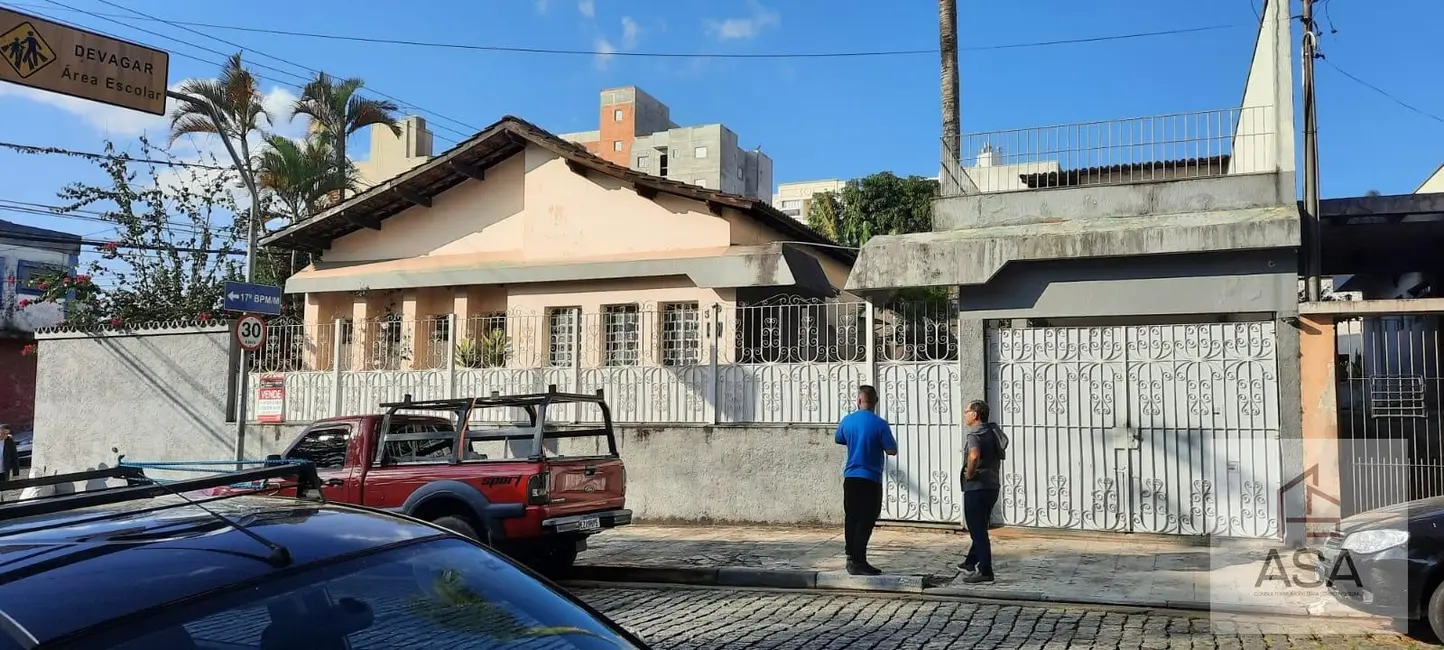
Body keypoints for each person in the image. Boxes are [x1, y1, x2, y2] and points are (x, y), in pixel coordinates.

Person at [834, 385, 898, 576]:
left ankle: (851, 555)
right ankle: (858, 559)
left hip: (851, 476)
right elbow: (892, 450)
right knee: (867, 518)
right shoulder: (880, 424)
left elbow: (839, 439)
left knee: (851, 516)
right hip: (871, 478)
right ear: (875, 402)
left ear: (858, 400)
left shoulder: (848, 420)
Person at [958, 400, 1008, 584]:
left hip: (976, 487)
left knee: (977, 530)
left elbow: (973, 455)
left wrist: (970, 473)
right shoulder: (993, 432)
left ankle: (985, 570)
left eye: (967, 412)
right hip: (992, 486)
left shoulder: (975, 434)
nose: (965, 415)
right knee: (980, 526)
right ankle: (970, 562)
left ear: (975, 414)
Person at [0, 424, 18, 490]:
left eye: (6, 434)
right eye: (2, 433)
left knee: (2, 491)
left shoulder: (9, 441)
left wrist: (15, 473)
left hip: (3, 472)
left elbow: (14, 457)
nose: (4, 436)